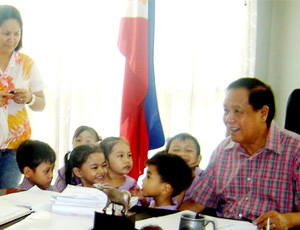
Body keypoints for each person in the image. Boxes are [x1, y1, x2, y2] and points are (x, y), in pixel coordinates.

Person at [179, 77, 300, 230]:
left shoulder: (295, 150)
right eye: (226, 111)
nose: (228, 119)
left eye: (237, 111)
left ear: (263, 113)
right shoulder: (223, 150)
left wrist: (288, 219)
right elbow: (197, 203)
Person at [0, 5, 46, 189]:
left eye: (16, 33)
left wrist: (29, 98)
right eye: (6, 33)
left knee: (7, 199)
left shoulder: (26, 63)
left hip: (15, 147)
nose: (12, 39)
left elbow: (41, 104)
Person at [54, 125, 101, 191]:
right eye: (78, 140)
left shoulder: (101, 169)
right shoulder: (65, 171)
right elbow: (57, 192)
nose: (82, 143)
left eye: (88, 141)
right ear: (72, 143)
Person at [165, 133, 202, 204]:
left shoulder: (201, 182)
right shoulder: (159, 177)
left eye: (189, 150)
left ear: (198, 159)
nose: (182, 154)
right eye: (176, 150)